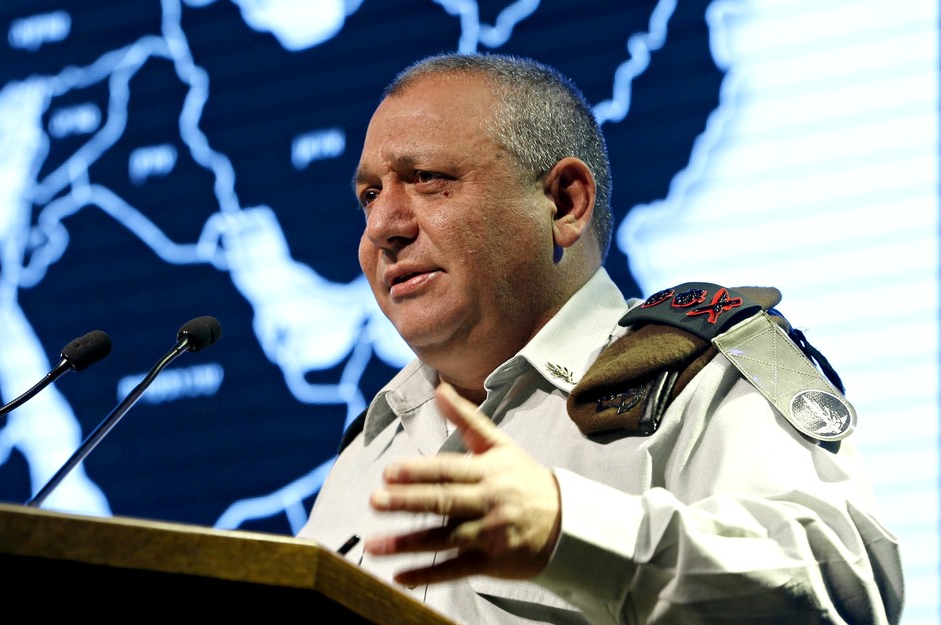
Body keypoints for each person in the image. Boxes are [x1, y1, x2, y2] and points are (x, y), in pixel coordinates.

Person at [296, 52, 903, 625]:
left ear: (565, 203)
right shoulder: (367, 450)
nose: (383, 227)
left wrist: (570, 532)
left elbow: (842, 589)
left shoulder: (699, 379)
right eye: (370, 195)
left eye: (427, 179)